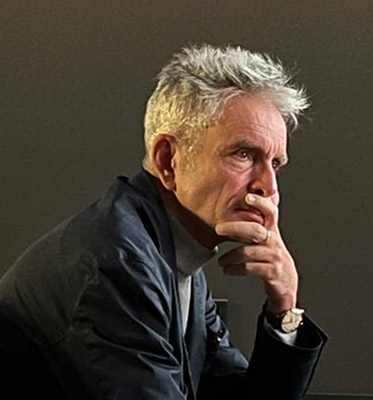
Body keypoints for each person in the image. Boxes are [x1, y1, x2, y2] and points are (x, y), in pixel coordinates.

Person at [0, 44, 327, 399]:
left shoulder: (171, 252)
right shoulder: (118, 264)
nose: (269, 187)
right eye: (244, 154)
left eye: (275, 164)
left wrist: (284, 307)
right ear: (168, 160)